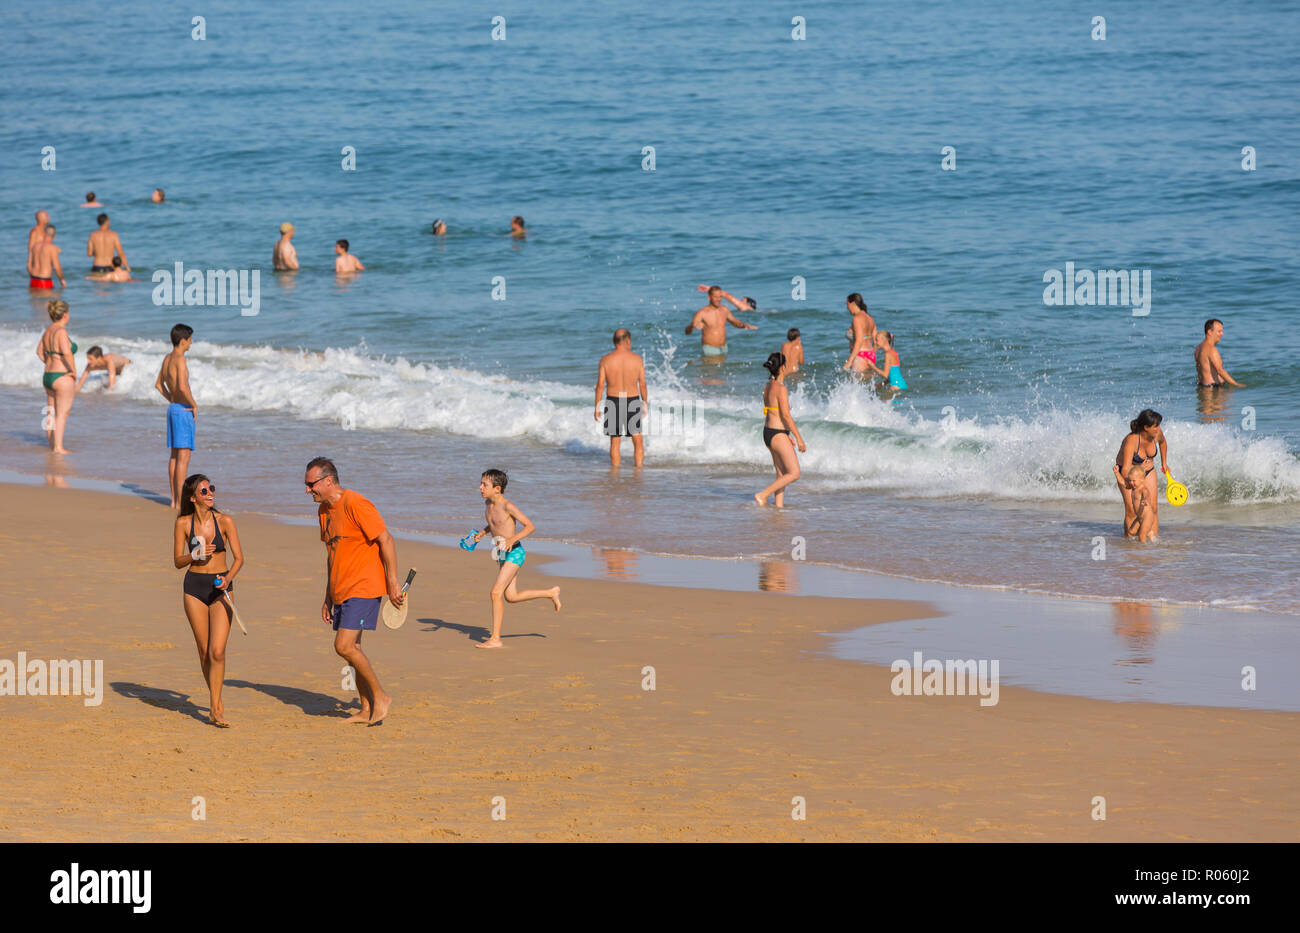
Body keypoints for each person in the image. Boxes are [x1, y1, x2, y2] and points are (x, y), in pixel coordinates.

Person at [305, 457, 402, 723]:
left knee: (344, 646)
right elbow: (331, 554)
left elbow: (386, 539)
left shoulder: (356, 503)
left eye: (310, 484)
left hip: (365, 585)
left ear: (328, 481)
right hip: (341, 588)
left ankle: (381, 696)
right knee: (354, 649)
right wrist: (328, 595)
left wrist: (392, 582)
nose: (307, 490)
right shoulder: (323, 510)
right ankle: (366, 708)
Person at [172, 473, 243, 727]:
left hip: (221, 587)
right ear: (193, 498)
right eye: (204, 491)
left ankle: (215, 706)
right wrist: (195, 554)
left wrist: (227, 579)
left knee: (218, 651)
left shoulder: (225, 521)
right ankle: (216, 704)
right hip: (194, 588)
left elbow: (239, 559)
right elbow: (177, 561)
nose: (210, 493)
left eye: (211, 488)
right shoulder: (183, 523)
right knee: (204, 652)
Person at [464, 469, 561, 649]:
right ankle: (550, 593)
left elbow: (530, 526)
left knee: (495, 593)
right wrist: (482, 533)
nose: (480, 487)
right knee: (511, 596)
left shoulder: (508, 506)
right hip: (502, 554)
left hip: (515, 552)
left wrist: (511, 539)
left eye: (484, 484)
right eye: (481, 483)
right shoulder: (487, 504)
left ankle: (495, 639)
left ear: (497, 489)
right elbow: (494, 524)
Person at [755, 352, 806, 507]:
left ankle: (779, 508)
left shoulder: (768, 386)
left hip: (769, 432)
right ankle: (762, 495)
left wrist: (787, 434)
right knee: (794, 473)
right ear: (782, 367)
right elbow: (785, 415)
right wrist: (799, 438)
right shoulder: (781, 388)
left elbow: (773, 412)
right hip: (777, 433)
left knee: (781, 475)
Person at [155, 323, 197, 509]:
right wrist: (193, 404)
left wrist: (170, 398)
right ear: (182, 341)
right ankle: (181, 501)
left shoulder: (167, 358)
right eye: (190, 340)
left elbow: (159, 385)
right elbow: (182, 386)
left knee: (174, 456)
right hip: (183, 409)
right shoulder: (180, 359)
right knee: (183, 457)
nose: (191, 343)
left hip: (172, 408)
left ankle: (174, 500)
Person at [595, 328, 648, 467]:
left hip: (614, 401)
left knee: (615, 440)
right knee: (637, 438)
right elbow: (642, 384)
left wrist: (597, 407)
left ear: (614, 341)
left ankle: (615, 471)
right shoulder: (637, 359)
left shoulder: (605, 360)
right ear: (628, 341)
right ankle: (638, 469)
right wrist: (645, 403)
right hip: (632, 400)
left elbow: (600, 385)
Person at [1113, 409, 1169, 541]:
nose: (1159, 428)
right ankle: (1130, 543)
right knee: (1132, 510)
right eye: (1156, 426)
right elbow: (1126, 468)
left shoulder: (1157, 433)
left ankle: (1153, 541)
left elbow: (1163, 443)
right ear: (1146, 427)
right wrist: (1134, 478)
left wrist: (1164, 463)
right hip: (1128, 474)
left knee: (1152, 507)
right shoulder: (1131, 440)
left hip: (1148, 471)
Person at [36, 300, 77, 454]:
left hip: (48, 375)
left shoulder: (48, 331)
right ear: (65, 315)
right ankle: (58, 447)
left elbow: (39, 351)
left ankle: (52, 444)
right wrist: (73, 371)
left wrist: (50, 362)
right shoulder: (61, 331)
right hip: (62, 376)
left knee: (51, 411)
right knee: (62, 413)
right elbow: (67, 353)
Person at [685, 286, 757, 357]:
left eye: (720, 297)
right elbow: (687, 332)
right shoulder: (702, 313)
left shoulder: (724, 309)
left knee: (723, 368)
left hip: (724, 348)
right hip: (710, 349)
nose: (718, 299)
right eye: (715, 297)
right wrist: (691, 326)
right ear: (709, 297)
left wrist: (744, 325)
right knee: (711, 368)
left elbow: (735, 322)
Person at [1194, 319, 1244, 388]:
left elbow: (1199, 371)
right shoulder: (1211, 349)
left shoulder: (1198, 348)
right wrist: (1236, 384)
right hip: (1214, 389)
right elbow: (1220, 370)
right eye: (1219, 331)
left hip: (1203, 387)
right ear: (1209, 332)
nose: (1222, 334)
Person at [842, 293, 877, 374]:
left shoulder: (856, 319)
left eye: (847, 304)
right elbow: (875, 342)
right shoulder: (870, 318)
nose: (847, 308)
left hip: (860, 355)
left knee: (855, 383)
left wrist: (849, 362)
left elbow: (859, 341)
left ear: (853, 303)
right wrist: (871, 356)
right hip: (871, 355)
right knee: (867, 385)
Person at [1123, 465, 1157, 542]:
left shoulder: (1143, 489)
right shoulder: (1133, 488)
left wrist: (1145, 499)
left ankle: (1143, 551)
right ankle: (1149, 533)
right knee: (1131, 532)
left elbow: (1147, 494)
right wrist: (1116, 473)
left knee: (1141, 536)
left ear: (1142, 479)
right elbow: (1122, 483)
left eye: (1134, 481)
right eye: (1130, 480)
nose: (1131, 483)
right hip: (1139, 517)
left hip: (1147, 517)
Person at [28, 224, 65, 289]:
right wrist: (61, 279)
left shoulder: (35, 246)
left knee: (34, 299)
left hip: (33, 279)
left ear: (44, 233)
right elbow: (57, 267)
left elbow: (28, 265)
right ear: (55, 235)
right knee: (48, 299)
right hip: (45, 280)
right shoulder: (52, 248)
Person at [26, 209, 49, 274]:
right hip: (37, 263)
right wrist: (29, 263)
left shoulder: (45, 230)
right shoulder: (35, 231)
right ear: (41, 218)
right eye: (46, 216)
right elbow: (30, 247)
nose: (48, 218)